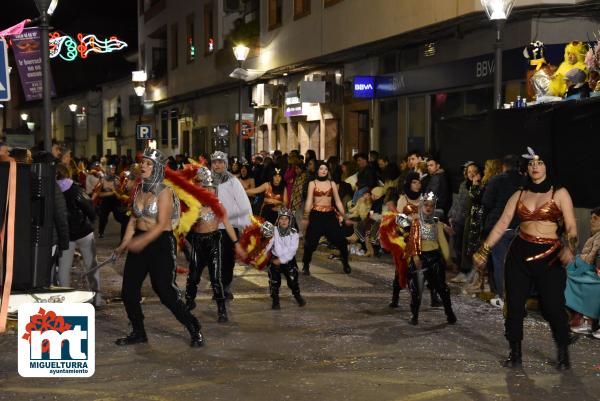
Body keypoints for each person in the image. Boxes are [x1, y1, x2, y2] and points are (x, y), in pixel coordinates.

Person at [473, 147, 577, 370]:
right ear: (526, 168)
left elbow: (571, 226)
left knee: (552, 307)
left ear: (547, 166)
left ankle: (562, 353)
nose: (535, 167)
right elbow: (502, 223)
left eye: (539, 163)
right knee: (514, 306)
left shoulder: (560, 193)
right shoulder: (519, 194)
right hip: (519, 253)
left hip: (549, 256)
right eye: (531, 164)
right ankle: (515, 353)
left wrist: (569, 246)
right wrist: (484, 250)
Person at [114, 148, 203, 347]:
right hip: (140, 241)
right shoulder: (139, 189)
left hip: (160, 243)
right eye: (143, 163)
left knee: (165, 291)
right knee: (128, 291)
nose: (143, 166)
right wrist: (123, 245)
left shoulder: (165, 192)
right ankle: (138, 331)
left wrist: (141, 242)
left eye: (148, 164)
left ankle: (193, 327)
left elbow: (163, 224)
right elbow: (133, 221)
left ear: (157, 168)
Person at [185, 167, 245, 323]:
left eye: (212, 189)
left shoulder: (218, 206)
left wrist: (236, 243)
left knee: (216, 277)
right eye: (207, 189)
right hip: (198, 242)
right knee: (193, 276)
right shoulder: (194, 206)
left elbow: (228, 225)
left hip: (214, 242)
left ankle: (221, 310)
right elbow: (184, 224)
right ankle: (189, 301)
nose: (210, 192)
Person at [405, 192, 456, 326]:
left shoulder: (437, 224)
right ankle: (414, 314)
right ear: (421, 206)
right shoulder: (416, 223)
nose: (428, 208)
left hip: (434, 258)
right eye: (426, 205)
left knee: (442, 288)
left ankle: (449, 312)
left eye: (432, 206)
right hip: (420, 258)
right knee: (416, 289)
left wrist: (448, 258)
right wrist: (415, 257)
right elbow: (412, 241)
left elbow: (443, 242)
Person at [55, 164, 101, 305]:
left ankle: (66, 300)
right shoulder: (75, 189)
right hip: (84, 233)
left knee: (64, 268)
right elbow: (89, 208)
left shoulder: (52, 191)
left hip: (65, 236)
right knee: (91, 264)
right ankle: (97, 298)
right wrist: (92, 220)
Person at [481, 155, 522, 305]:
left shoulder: (496, 180)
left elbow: (486, 202)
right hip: (520, 228)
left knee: (500, 264)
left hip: (500, 228)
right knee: (518, 265)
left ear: (503, 166)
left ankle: (503, 298)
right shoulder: (525, 181)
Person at [211, 151, 253, 299]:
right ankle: (217, 286)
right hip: (211, 227)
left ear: (225, 164)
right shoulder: (207, 181)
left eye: (220, 162)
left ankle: (225, 287)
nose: (217, 165)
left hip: (229, 227)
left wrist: (247, 226)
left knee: (228, 259)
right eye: (215, 162)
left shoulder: (232, 181)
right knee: (214, 260)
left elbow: (243, 203)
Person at [302, 162, 351, 275]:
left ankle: (345, 263)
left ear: (328, 171)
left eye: (325, 169)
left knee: (341, 241)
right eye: (321, 168)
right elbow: (309, 201)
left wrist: (344, 216)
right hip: (316, 216)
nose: (323, 171)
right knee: (310, 242)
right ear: (317, 171)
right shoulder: (312, 183)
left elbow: (338, 201)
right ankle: (305, 265)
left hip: (329, 215)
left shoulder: (332, 183)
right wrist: (306, 216)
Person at [565, 207, 600, 338]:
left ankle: (586, 319)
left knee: (578, 279)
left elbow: (593, 257)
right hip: (590, 269)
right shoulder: (596, 236)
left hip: (594, 272)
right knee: (569, 276)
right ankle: (583, 318)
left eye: (595, 218)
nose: (592, 221)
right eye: (591, 218)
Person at [266, 208, 306, 310]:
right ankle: (275, 300)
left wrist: (282, 260)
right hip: (275, 260)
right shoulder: (274, 230)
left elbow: (293, 250)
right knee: (274, 281)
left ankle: (297, 296)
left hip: (288, 261)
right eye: (281, 219)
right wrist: (262, 254)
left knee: (293, 281)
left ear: (290, 220)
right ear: (278, 220)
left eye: (286, 219)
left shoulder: (294, 233)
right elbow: (269, 244)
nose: (283, 221)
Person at [95, 164, 121, 238]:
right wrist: (111, 192)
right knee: (103, 217)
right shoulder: (102, 179)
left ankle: (126, 230)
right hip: (106, 201)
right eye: (111, 169)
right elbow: (98, 193)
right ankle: (101, 232)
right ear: (107, 170)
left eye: (114, 169)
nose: (113, 171)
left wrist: (118, 187)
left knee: (119, 216)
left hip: (115, 200)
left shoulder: (117, 178)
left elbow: (120, 191)